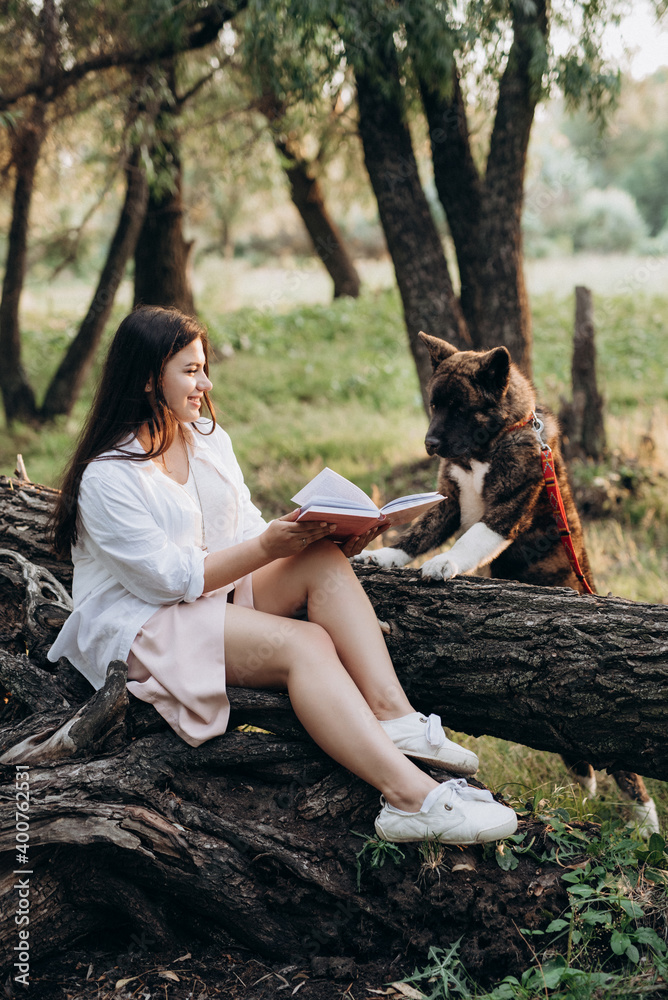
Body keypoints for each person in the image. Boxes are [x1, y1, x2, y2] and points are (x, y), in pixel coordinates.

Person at [48, 305, 517, 845]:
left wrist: (322, 536)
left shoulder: (203, 436)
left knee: (321, 561)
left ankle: (396, 718)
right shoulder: (109, 476)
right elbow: (165, 583)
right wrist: (269, 544)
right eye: (191, 370)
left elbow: (242, 525)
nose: (205, 383)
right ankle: (411, 801)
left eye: (204, 367)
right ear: (149, 378)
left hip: (209, 597)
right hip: (143, 625)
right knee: (306, 644)